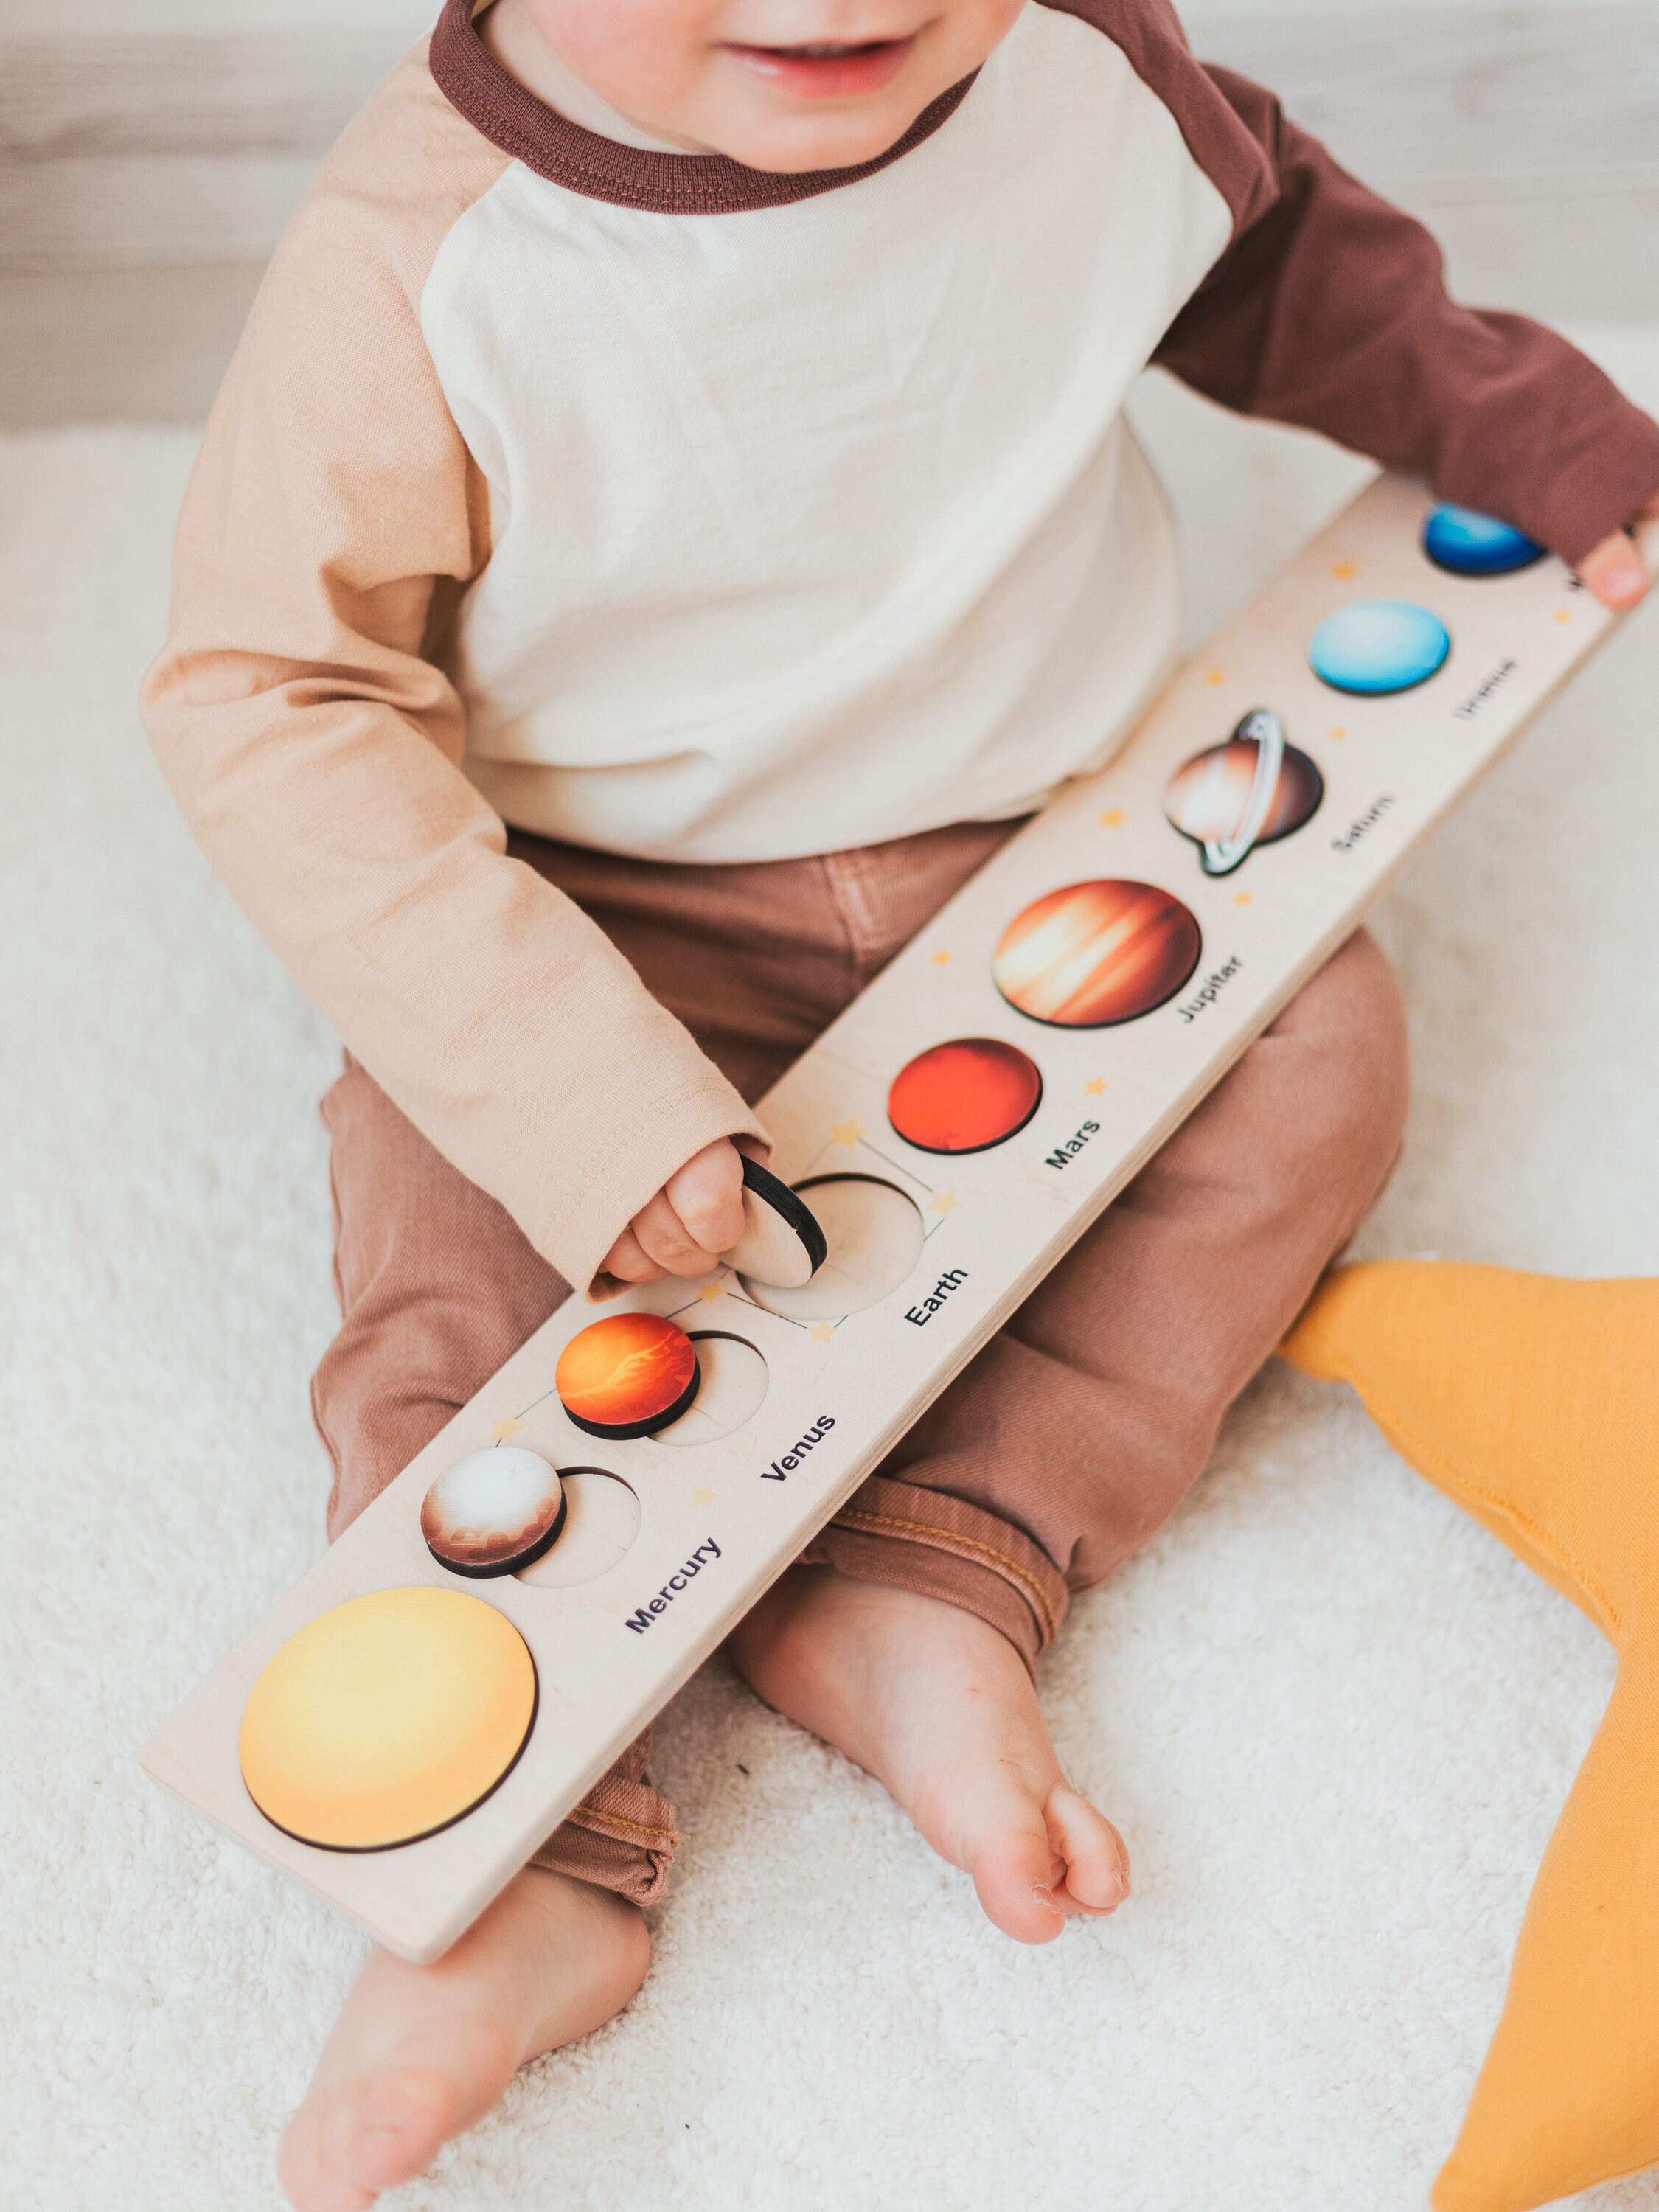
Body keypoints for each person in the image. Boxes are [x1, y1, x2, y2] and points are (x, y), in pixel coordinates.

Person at [140, 2, 1659, 2205]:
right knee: (452, 1233)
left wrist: (1520, 422)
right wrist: (575, 1097)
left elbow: (1273, 256)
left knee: (1314, 1056)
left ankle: (937, 1562)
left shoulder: (1075, 69)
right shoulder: (424, 266)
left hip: (1044, 834)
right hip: (604, 909)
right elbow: (273, 694)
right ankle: (517, 1866)